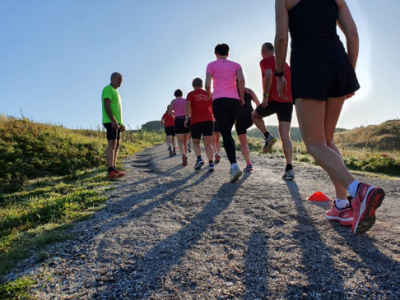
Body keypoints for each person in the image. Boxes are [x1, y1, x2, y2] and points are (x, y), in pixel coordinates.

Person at [275, 0, 385, 234]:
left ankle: (358, 190)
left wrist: (279, 74)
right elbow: (352, 34)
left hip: (307, 65)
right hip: (338, 64)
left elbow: (282, 38)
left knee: (314, 143)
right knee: (327, 138)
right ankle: (343, 205)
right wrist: (349, 71)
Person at [252, 42, 295, 180]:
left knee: (254, 116)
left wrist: (265, 97)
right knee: (285, 136)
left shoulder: (265, 61)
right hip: (287, 102)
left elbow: (269, 74)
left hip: (273, 100)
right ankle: (289, 169)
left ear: (263, 51)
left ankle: (267, 136)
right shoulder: (285, 64)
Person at [205, 43, 245, 183]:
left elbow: (207, 84)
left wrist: (210, 96)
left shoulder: (211, 65)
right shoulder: (236, 65)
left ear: (216, 53)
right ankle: (233, 166)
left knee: (226, 135)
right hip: (234, 101)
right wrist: (241, 98)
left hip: (219, 101)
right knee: (228, 133)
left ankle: (234, 166)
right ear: (228, 53)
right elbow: (241, 80)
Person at [184, 78, 215, 172]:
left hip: (196, 120)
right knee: (208, 143)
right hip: (208, 119)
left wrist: (186, 118)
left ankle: (199, 158)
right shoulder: (208, 93)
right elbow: (212, 106)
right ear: (202, 85)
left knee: (196, 143)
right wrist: (212, 114)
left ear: (193, 85)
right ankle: (211, 164)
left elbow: (187, 106)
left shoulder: (190, 94)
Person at [102, 72, 126, 178]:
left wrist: (121, 123)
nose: (120, 81)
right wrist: (113, 120)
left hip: (116, 122)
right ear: (112, 78)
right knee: (112, 143)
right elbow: (106, 105)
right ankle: (110, 169)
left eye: (121, 79)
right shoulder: (108, 89)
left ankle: (114, 167)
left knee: (117, 144)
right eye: (118, 79)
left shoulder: (116, 92)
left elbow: (117, 109)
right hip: (109, 120)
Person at [235, 82, 260, 172]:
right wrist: (258, 116)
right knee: (244, 141)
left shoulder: (232, 92)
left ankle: (248, 164)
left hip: (240, 119)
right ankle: (266, 135)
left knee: (244, 143)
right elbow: (258, 103)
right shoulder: (249, 91)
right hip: (250, 117)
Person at [169, 89, 190, 166]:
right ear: (182, 94)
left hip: (178, 120)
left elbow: (169, 112)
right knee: (185, 140)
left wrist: (173, 117)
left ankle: (183, 155)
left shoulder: (173, 101)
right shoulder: (186, 100)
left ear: (175, 94)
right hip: (186, 119)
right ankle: (186, 155)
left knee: (180, 141)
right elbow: (190, 109)